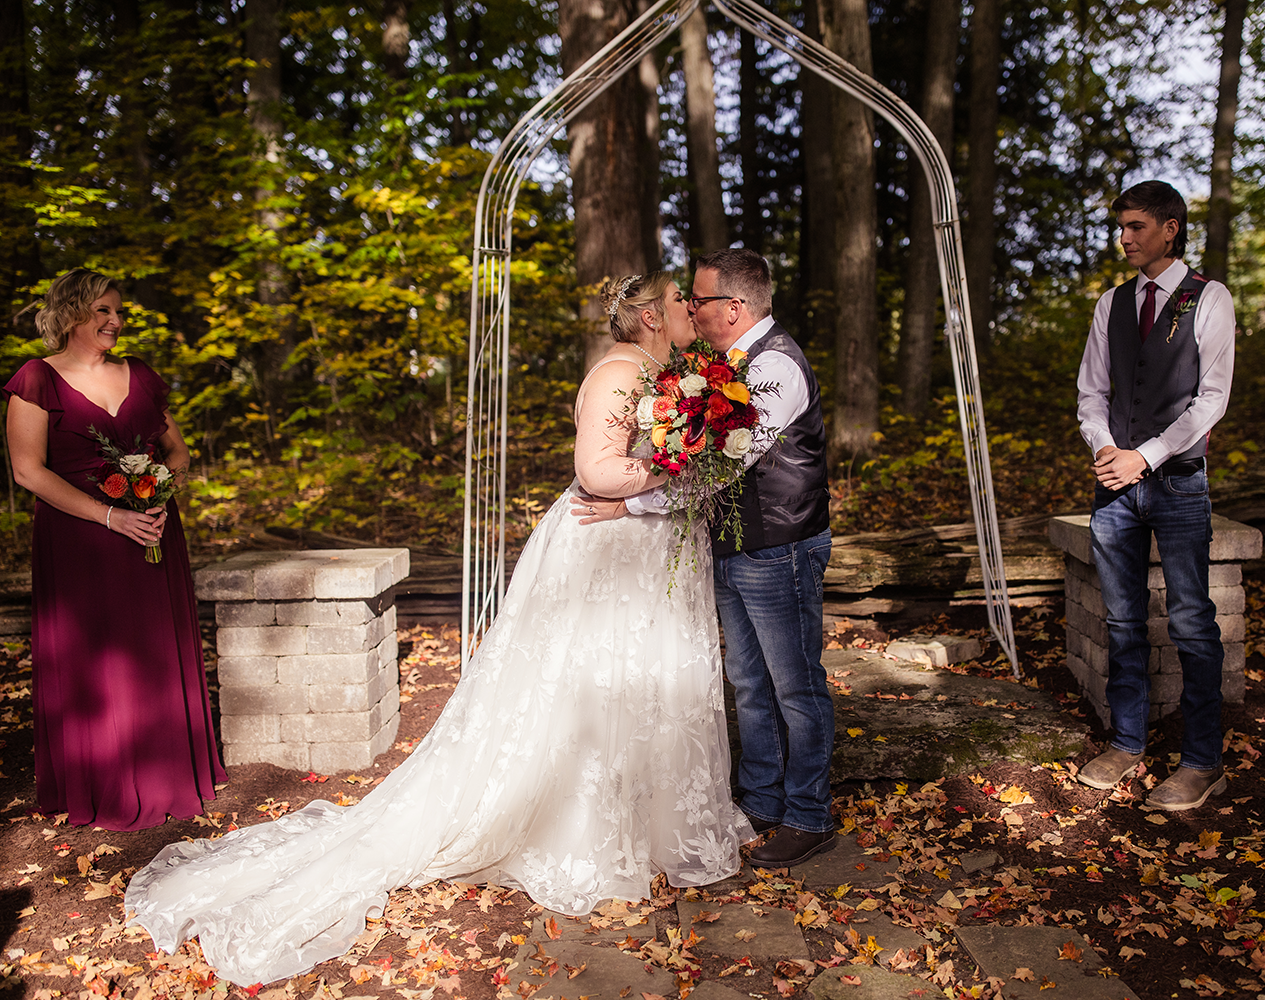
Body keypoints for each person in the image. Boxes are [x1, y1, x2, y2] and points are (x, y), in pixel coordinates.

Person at [125, 273, 755, 987]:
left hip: (642, 549)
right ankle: (586, 829)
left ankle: (653, 824)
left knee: (641, 681)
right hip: (607, 550)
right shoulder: (619, 373)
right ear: (647, 316)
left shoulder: (661, 374)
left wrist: (683, 469)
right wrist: (673, 471)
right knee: (596, 681)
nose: (688, 312)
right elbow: (596, 471)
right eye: (678, 302)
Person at [582, 249, 835, 866]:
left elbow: (727, 464)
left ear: (736, 306)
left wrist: (632, 507)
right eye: (686, 300)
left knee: (795, 687)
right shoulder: (720, 364)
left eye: (699, 300)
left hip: (781, 547)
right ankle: (761, 800)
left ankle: (810, 814)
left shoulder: (776, 367)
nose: (690, 309)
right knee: (749, 683)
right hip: (731, 544)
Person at [3, 268, 224, 831]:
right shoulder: (36, 379)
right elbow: (28, 471)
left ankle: (169, 773)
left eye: (118, 311)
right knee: (97, 653)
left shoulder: (142, 376)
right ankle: (101, 782)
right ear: (72, 312)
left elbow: (178, 452)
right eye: (103, 310)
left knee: (152, 646)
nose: (115, 321)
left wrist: (158, 490)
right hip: (79, 539)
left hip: (150, 530)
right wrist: (109, 515)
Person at [1072, 180, 1236, 812]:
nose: (1125, 238)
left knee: (1193, 621)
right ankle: (1128, 741)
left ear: (1171, 228)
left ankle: (1203, 762)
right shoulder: (1111, 304)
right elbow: (1091, 393)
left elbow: (1212, 399)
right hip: (1115, 486)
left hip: (1178, 484)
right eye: (1122, 226)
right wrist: (1107, 449)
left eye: (1137, 226)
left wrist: (1148, 455)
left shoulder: (1208, 298)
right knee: (1120, 620)